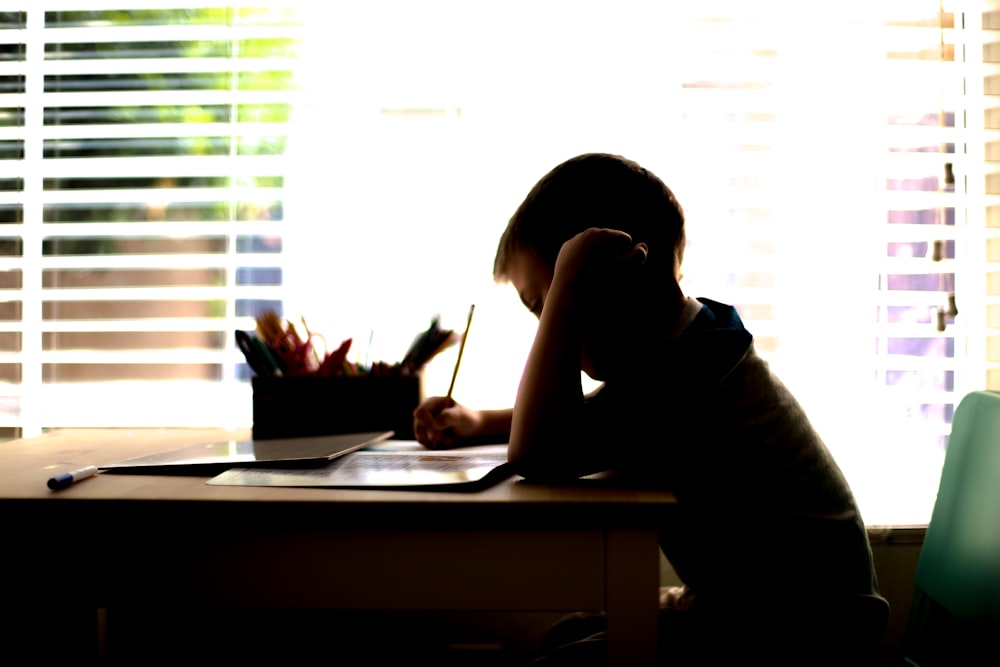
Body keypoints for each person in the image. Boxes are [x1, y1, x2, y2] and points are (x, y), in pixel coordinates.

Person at [412, 153, 888, 665]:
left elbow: (540, 451)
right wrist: (479, 421)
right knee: (567, 635)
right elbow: (591, 421)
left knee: (558, 663)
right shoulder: (691, 346)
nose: (547, 329)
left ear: (599, 282)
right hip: (771, 608)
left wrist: (567, 290)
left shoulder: (684, 371)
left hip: (805, 632)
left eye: (543, 306)